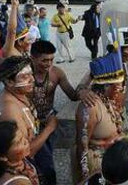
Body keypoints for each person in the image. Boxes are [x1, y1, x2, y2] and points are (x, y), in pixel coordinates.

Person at [30, 41, 95, 184]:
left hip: (49, 122)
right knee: (42, 163)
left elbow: (72, 95)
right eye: (44, 60)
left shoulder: (56, 73)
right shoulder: (23, 74)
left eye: (51, 59)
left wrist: (83, 91)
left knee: (45, 159)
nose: (49, 63)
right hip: (29, 125)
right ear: (32, 58)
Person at [0, 56, 58, 175]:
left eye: (31, 74)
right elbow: (27, 151)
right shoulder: (10, 110)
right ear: (9, 82)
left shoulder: (16, 92)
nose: (32, 79)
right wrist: (49, 128)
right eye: (25, 76)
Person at [73, 48, 126, 184]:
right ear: (106, 85)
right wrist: (86, 177)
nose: (120, 89)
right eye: (118, 86)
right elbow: (82, 148)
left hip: (114, 160)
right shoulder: (90, 108)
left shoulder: (109, 99)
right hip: (98, 165)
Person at [0, 121, 39, 185]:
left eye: (22, 136)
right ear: (3, 157)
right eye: (18, 142)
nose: (26, 141)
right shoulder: (17, 182)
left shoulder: (16, 160)